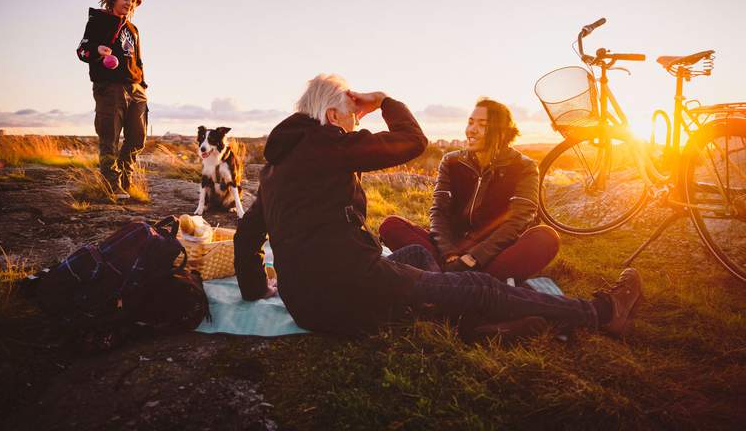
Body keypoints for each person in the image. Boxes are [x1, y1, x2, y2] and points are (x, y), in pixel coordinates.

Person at [234, 74, 643, 339]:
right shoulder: (331, 143)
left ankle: (477, 325)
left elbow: (246, 236)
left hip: (307, 306)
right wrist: (384, 101)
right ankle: (600, 312)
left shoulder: (274, 168)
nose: (356, 124)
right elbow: (414, 142)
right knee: (477, 285)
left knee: (412, 256)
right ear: (330, 115)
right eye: (352, 117)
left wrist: (257, 288)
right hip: (351, 292)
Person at [379, 98, 559, 281]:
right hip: (452, 247)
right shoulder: (451, 161)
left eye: (482, 124)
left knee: (546, 238)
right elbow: (438, 212)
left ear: (502, 132)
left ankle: (443, 280)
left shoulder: (524, 166)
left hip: (493, 253)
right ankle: (470, 284)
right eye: (470, 122)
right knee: (391, 225)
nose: (471, 130)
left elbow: (518, 221)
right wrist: (449, 253)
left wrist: (475, 257)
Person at [76, 0, 148, 198]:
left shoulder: (133, 29)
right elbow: (82, 51)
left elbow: (138, 60)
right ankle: (112, 185)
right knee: (110, 139)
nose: (130, 4)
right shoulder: (98, 21)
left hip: (136, 88)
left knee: (137, 139)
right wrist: (98, 49)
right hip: (110, 88)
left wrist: (143, 86)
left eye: (134, 1)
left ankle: (126, 181)